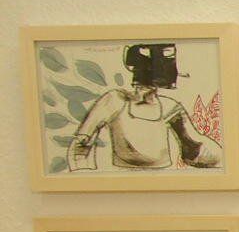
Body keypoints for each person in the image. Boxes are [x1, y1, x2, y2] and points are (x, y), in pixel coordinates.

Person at [66, 41, 222, 171]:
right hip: (124, 182)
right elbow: (80, 146)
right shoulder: (115, 100)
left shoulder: (169, 106)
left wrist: (225, 165)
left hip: (164, 183)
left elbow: (194, 148)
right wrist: (85, 180)